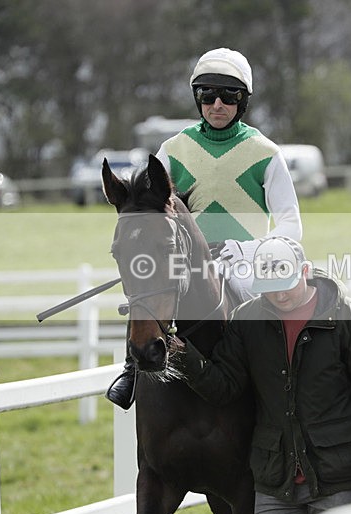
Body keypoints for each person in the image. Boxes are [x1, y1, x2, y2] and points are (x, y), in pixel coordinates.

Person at [106, 47, 303, 408]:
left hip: (246, 265)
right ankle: (132, 369)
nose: (217, 104)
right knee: (147, 291)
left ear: (243, 102)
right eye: (207, 94)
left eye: (229, 96)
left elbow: (290, 222)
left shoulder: (266, 152)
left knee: (273, 316)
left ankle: (292, 389)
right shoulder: (172, 149)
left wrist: (248, 249)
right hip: (186, 262)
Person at [176, 236, 351, 514]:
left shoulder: (346, 315)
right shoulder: (246, 320)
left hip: (339, 480)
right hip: (275, 485)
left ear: (305, 271)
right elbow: (224, 387)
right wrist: (183, 356)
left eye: (286, 284)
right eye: (270, 288)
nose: (280, 296)